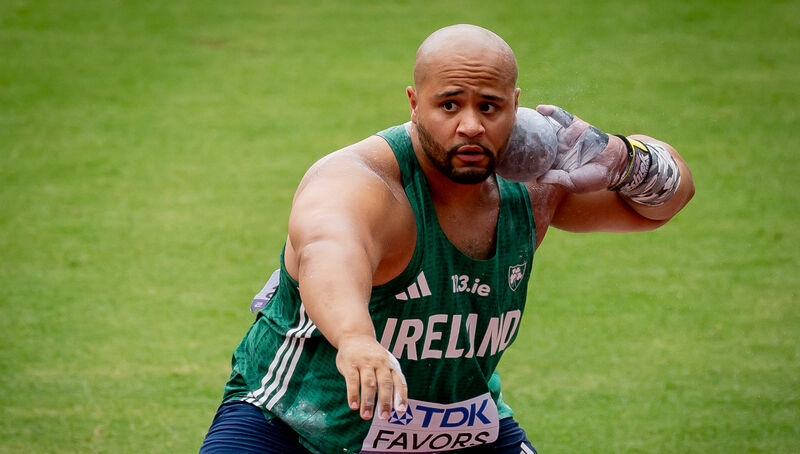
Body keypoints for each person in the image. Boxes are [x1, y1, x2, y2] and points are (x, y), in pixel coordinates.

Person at [199, 24, 694, 454]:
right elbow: (327, 251)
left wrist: (623, 159)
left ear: (516, 106)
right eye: (450, 105)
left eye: (490, 106)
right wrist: (354, 339)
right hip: (295, 428)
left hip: (459, 433)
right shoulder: (361, 182)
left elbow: (660, 209)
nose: (472, 125)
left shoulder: (536, 185)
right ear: (415, 104)